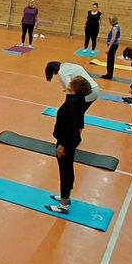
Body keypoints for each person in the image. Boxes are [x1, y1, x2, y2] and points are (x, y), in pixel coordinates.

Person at [46, 75, 92, 215]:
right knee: (67, 168)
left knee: (65, 171)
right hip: (71, 139)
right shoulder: (78, 100)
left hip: (66, 141)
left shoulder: (73, 103)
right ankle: (65, 196)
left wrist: (63, 145)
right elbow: (79, 124)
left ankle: (63, 204)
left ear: (75, 88)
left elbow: (71, 126)